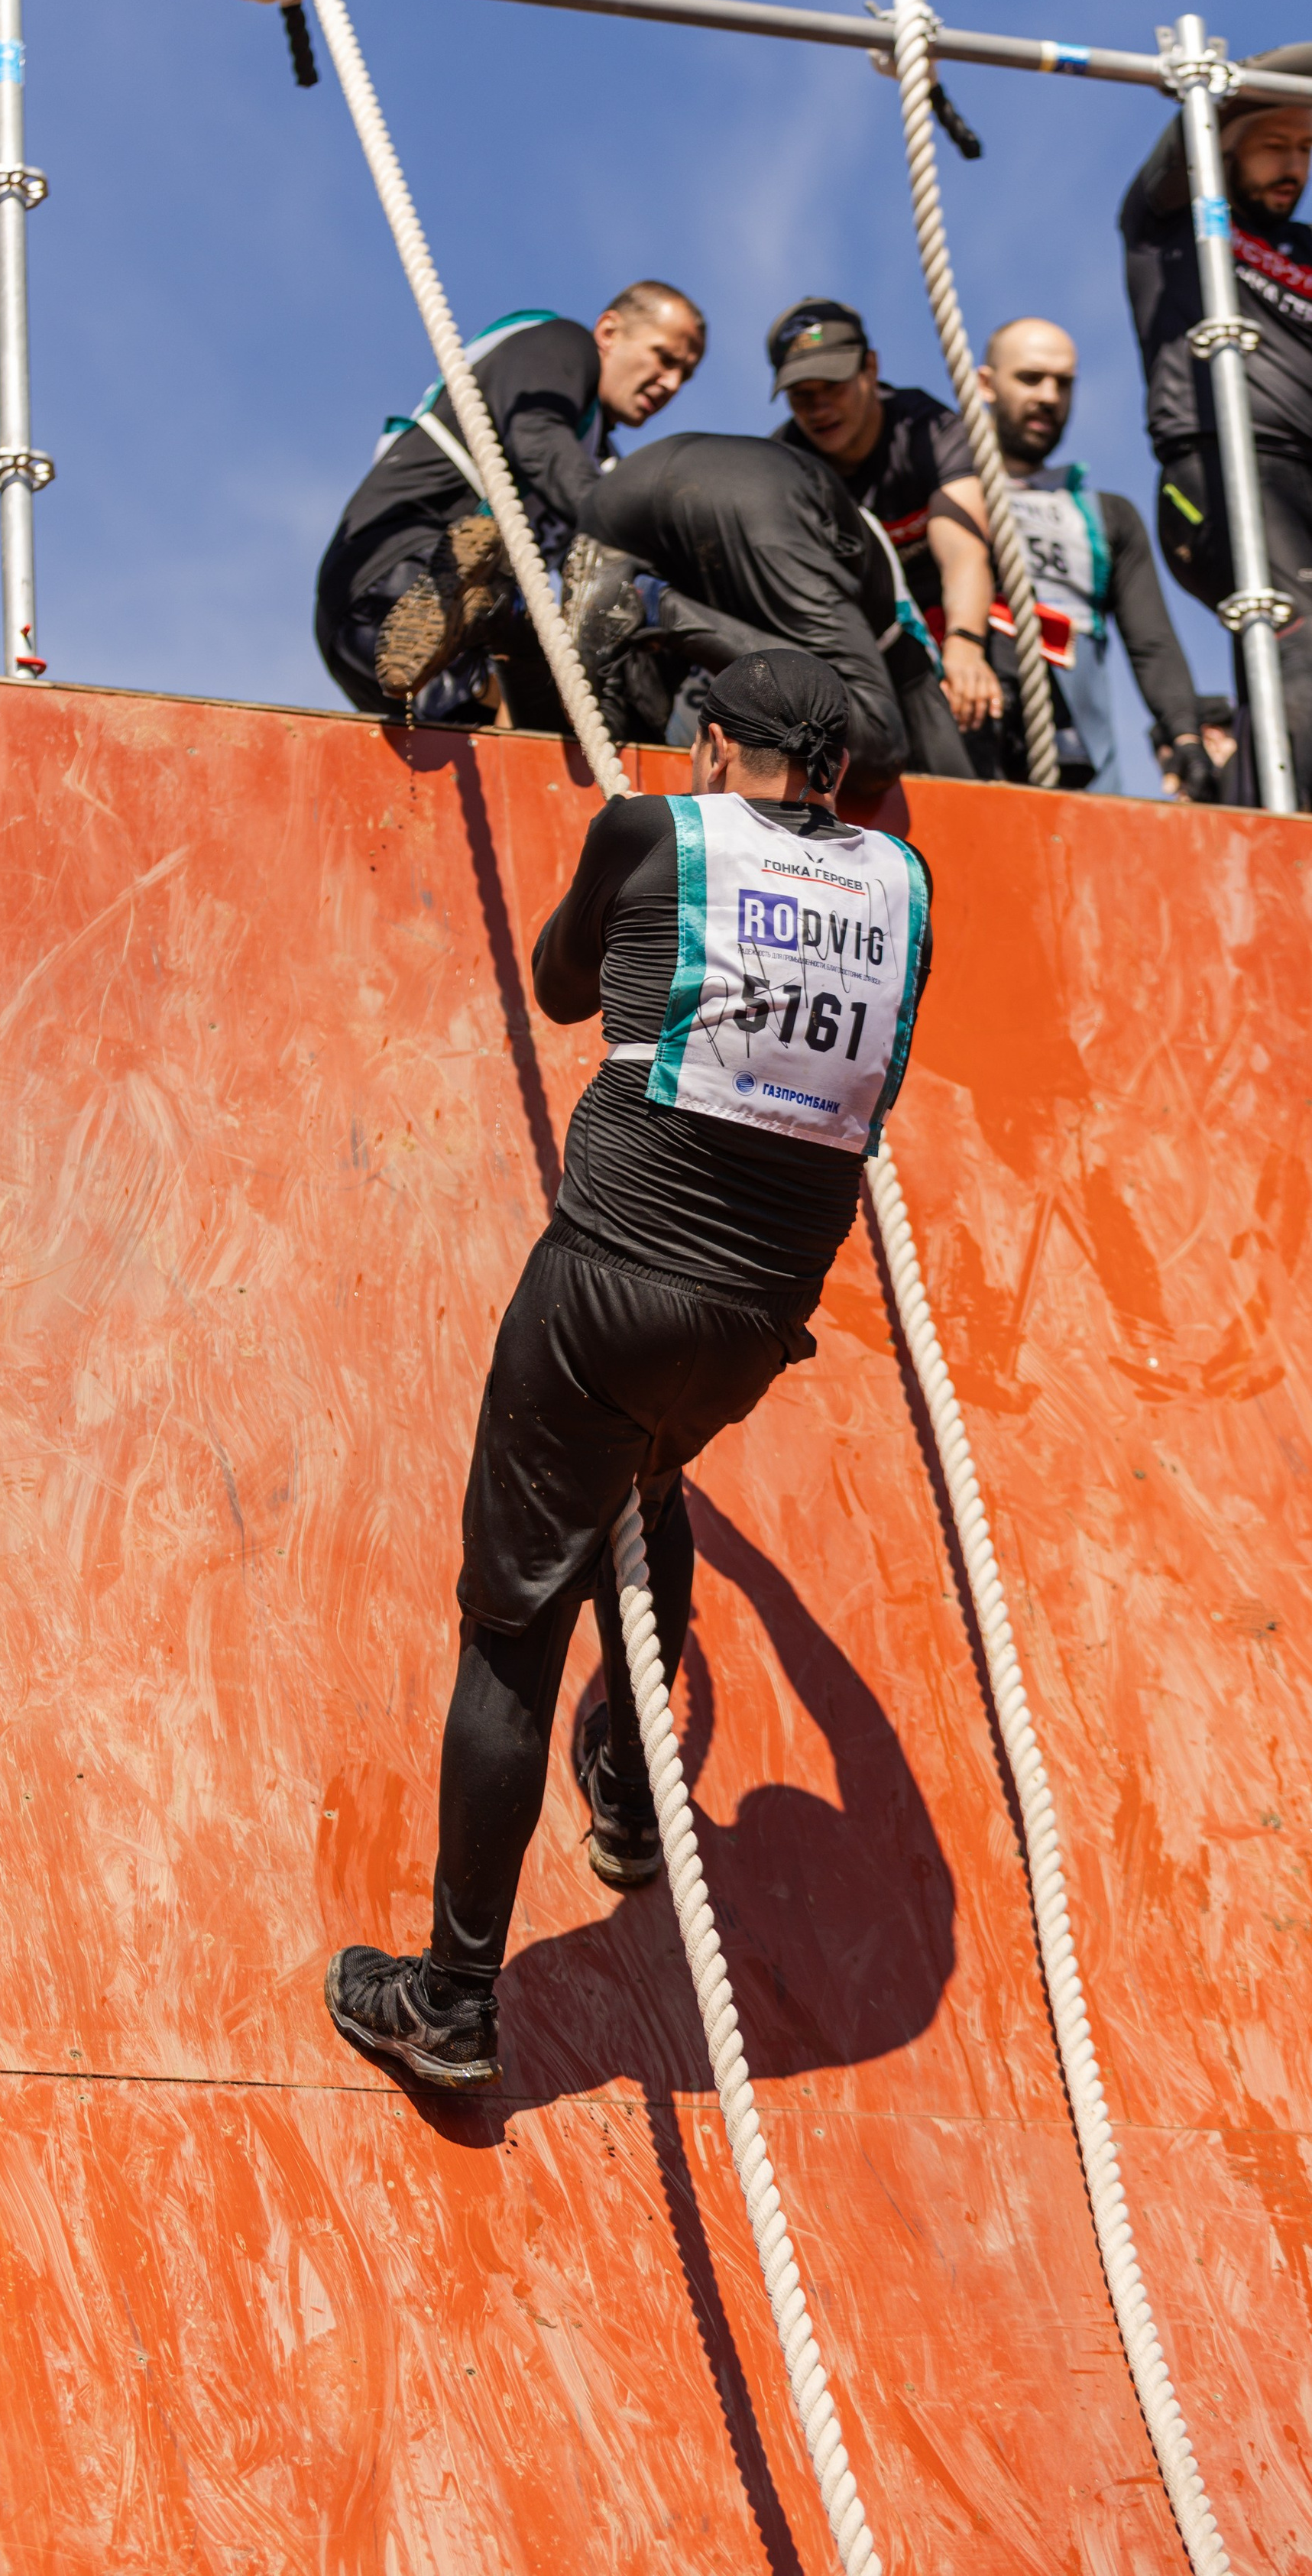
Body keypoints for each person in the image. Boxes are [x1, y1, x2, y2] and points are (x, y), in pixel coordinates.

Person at [325, 646, 933, 2087]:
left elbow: (555, 987)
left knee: (510, 1630)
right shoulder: (905, 889)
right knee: (643, 1476)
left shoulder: (655, 830)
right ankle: (637, 1799)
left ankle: (455, 2003)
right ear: (839, 774)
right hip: (756, 1318)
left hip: (607, 1281)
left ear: (715, 745)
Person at [313, 287, 706, 723]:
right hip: (402, 568)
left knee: (517, 737)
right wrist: (631, 534)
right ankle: (485, 626)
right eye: (665, 358)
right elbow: (539, 442)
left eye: (685, 376)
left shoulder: (598, 457)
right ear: (609, 331)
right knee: (541, 713)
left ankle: (486, 661)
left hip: (387, 639)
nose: (671, 383)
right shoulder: (560, 344)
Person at [1120, 44, 1312, 804]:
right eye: (1272, 146)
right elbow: (1181, 147)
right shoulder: (1170, 225)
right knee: (1299, 634)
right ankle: (1282, 841)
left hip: (1303, 476)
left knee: (1284, 649)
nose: (1292, 165)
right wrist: (1228, 92)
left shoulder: (1306, 250)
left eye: (1305, 149)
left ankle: (1240, 806)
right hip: (1217, 468)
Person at [564, 433, 913, 793]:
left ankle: (514, 624)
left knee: (616, 727)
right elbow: (890, 737)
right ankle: (650, 606)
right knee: (878, 745)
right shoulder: (900, 632)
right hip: (756, 497)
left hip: (618, 491)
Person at [974, 317, 1210, 795]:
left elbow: (1152, 640)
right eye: (1029, 377)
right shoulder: (944, 498)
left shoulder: (1107, 515)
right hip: (973, 740)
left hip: (1080, 762)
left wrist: (1185, 733)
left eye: (1063, 383)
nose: (1047, 395)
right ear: (985, 383)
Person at [768, 298, 996, 779]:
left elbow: (964, 547)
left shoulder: (926, 428)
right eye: (801, 395)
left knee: (989, 698)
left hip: (951, 615)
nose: (820, 407)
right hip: (857, 635)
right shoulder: (785, 462)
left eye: (832, 385)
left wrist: (966, 644)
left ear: (870, 368)